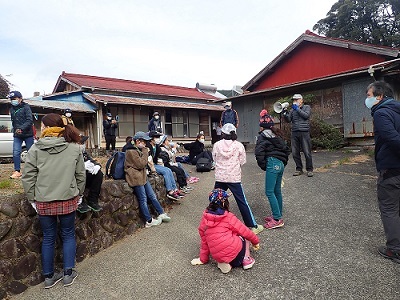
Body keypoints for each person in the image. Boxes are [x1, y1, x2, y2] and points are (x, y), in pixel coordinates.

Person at [21, 113, 85, 288]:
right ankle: (67, 274)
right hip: (68, 197)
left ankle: (48, 277)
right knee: (68, 235)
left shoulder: (35, 148)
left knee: (48, 237)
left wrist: (32, 198)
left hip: (43, 199)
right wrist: (79, 193)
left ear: (45, 128)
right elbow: (80, 175)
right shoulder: (74, 148)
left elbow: (28, 177)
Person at [365, 81, 400, 263]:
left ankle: (394, 249)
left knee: (389, 208)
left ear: (379, 96)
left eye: (369, 95)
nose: (367, 99)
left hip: (392, 169)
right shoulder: (396, 110)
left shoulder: (381, 113)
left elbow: (392, 139)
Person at [190, 188, 260, 273]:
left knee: (219, 240)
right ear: (224, 202)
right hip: (237, 257)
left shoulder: (204, 220)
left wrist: (202, 259)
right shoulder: (228, 217)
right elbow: (245, 231)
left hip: (219, 256)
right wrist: (255, 241)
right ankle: (246, 259)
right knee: (244, 237)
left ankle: (224, 262)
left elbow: (204, 243)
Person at [212, 123, 264, 235]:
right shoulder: (239, 145)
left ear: (222, 133)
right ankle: (252, 225)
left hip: (220, 176)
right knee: (242, 201)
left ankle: (213, 223)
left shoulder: (217, 145)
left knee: (216, 199)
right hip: (234, 177)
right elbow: (242, 161)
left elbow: (214, 159)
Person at [124, 131, 171, 228]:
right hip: (136, 178)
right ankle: (148, 220)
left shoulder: (137, 149)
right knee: (143, 199)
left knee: (152, 195)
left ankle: (161, 212)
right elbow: (141, 164)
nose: (145, 144)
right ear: (137, 141)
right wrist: (145, 152)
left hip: (142, 177)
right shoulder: (131, 151)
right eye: (144, 141)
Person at [255, 110, 291, 229]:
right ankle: (277, 215)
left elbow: (259, 152)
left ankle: (277, 219)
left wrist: (264, 165)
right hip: (280, 164)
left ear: (262, 126)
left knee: (269, 192)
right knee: (277, 191)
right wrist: (283, 163)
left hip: (272, 163)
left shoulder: (262, 136)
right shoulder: (277, 135)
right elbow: (287, 150)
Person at [283, 93, 314, 177]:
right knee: (295, 152)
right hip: (294, 132)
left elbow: (306, 116)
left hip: (304, 132)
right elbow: (288, 120)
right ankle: (299, 169)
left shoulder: (306, 107)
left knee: (307, 152)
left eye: (297, 99)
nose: (295, 101)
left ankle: (309, 169)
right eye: (294, 100)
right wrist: (285, 113)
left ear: (301, 100)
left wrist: (297, 109)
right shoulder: (292, 110)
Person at [146, 131, 182, 201]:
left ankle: (175, 189)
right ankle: (170, 191)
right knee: (165, 171)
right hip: (150, 165)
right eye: (156, 137)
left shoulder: (156, 146)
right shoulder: (148, 146)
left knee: (168, 170)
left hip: (155, 164)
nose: (158, 139)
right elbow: (148, 160)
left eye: (159, 137)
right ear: (151, 138)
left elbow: (160, 156)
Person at [8, 91, 34, 179]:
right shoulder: (11, 109)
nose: (12, 101)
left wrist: (21, 128)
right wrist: (15, 130)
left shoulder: (26, 107)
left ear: (20, 99)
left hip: (28, 134)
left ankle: (32, 170)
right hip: (17, 135)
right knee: (16, 152)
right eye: (11, 99)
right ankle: (17, 171)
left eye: (14, 99)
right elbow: (13, 122)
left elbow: (30, 120)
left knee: (31, 152)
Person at [77, 136, 103, 213]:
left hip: (85, 179)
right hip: (75, 180)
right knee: (80, 174)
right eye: (81, 143)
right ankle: (80, 202)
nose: (83, 145)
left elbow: (92, 161)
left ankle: (93, 200)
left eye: (83, 143)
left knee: (99, 174)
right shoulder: (70, 153)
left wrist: (97, 166)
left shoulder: (84, 153)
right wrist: (81, 167)